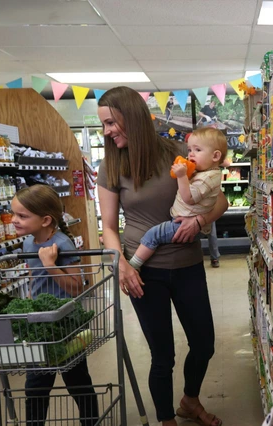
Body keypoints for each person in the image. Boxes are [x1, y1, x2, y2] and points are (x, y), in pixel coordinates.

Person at [96, 86, 227, 426]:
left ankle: (190, 400)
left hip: (187, 265)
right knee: (162, 356)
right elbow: (109, 227)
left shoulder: (180, 153)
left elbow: (221, 200)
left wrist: (201, 219)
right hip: (143, 273)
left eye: (111, 123)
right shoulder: (110, 166)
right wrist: (122, 265)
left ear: (133, 117)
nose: (107, 132)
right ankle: (167, 420)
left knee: (204, 344)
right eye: (104, 126)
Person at [11, 185, 99, 426]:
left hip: (67, 325)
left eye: (22, 216)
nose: (14, 220)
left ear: (45, 220)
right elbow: (35, 281)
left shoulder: (62, 245)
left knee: (77, 381)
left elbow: (77, 288)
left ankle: (91, 422)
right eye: (14, 214)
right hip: (40, 325)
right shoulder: (29, 244)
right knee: (36, 386)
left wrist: (51, 264)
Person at [128, 127, 227, 270]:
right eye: (189, 150)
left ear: (215, 156)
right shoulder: (204, 172)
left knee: (153, 235)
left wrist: (182, 176)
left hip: (182, 225)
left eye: (197, 150)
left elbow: (188, 198)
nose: (191, 154)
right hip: (182, 221)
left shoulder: (208, 178)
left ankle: (134, 264)